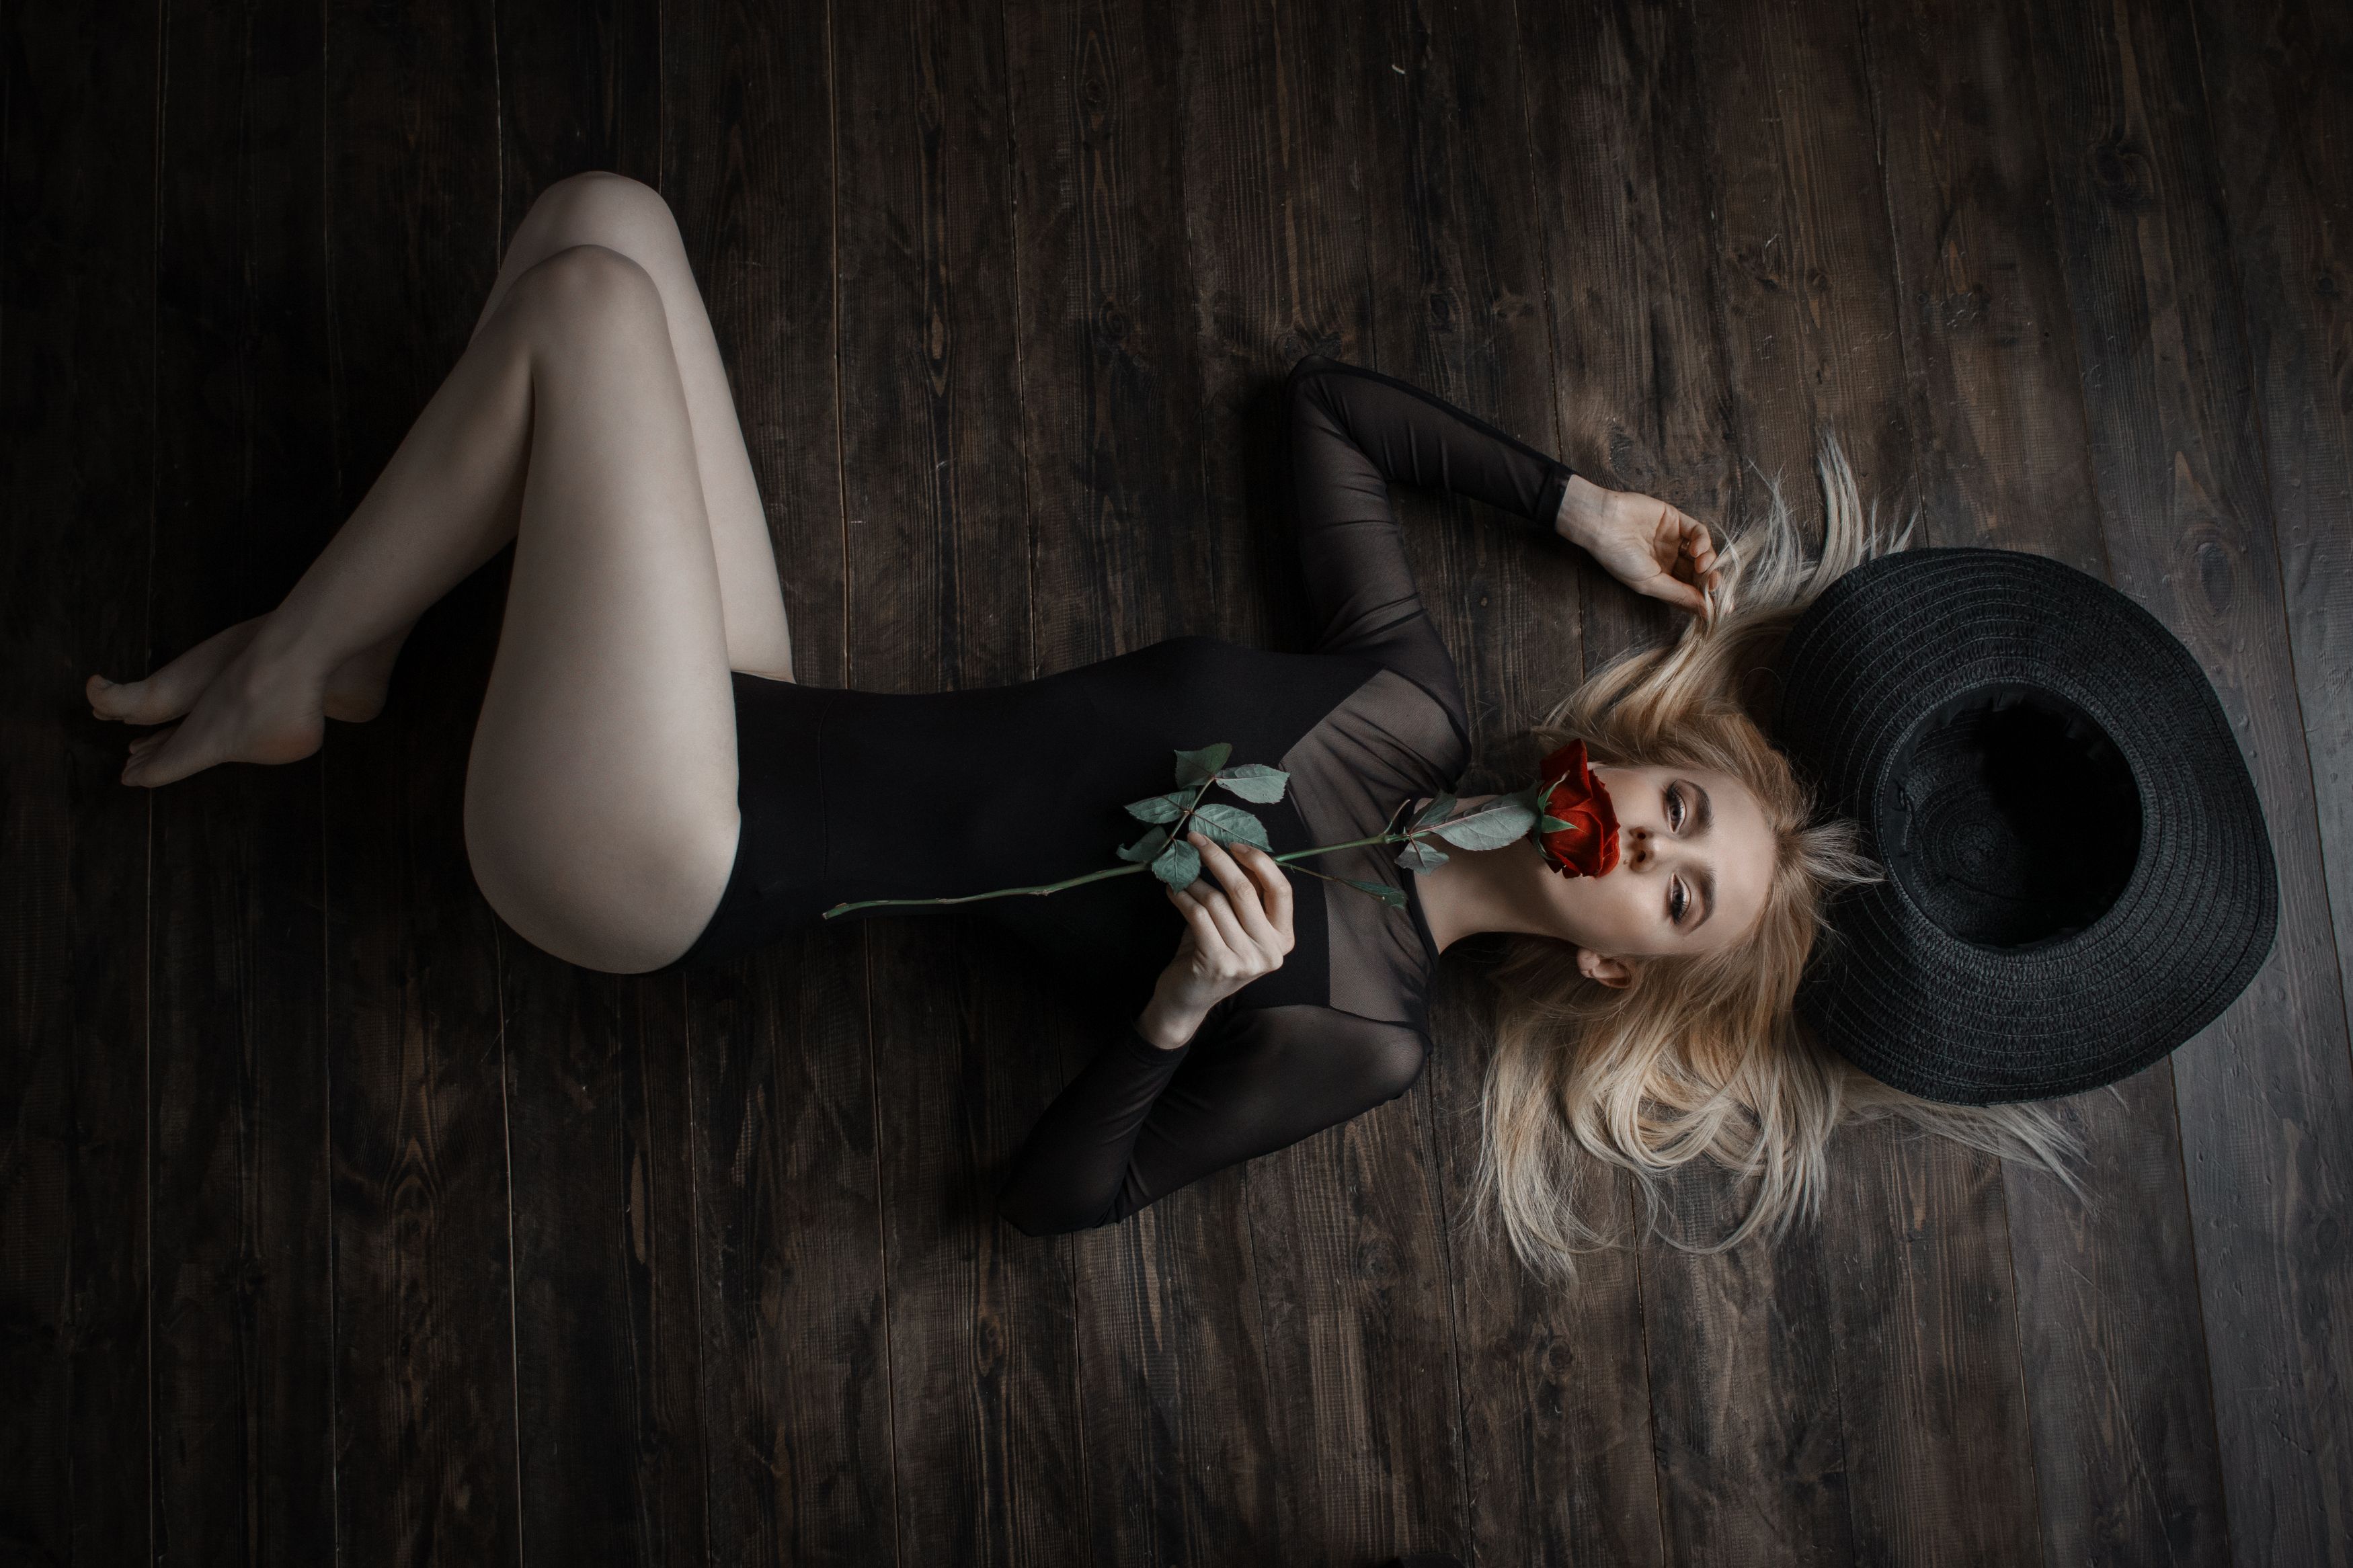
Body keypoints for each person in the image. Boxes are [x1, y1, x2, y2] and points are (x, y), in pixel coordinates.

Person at [84, 172, 2065, 1276]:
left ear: (1627, 963)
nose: (1653, 849)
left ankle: (282, 678)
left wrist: (1181, 1008)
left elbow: (1055, 1204)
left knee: (590, 310)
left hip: (668, 860)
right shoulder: (1399, 699)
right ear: (1624, 761)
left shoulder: (1358, 1034)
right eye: (1681, 808)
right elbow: (1319, 413)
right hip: (740, 710)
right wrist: (1578, 508)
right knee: (606, 218)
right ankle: (350, 657)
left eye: (1682, 896)